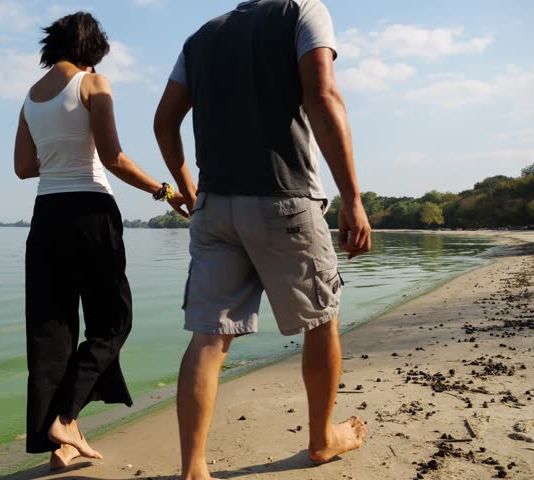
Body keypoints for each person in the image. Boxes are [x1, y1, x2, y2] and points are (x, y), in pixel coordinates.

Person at [153, 1, 372, 478]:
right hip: (284, 200)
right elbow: (322, 96)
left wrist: (188, 188)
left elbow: (163, 122)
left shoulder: (201, 36)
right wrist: (352, 197)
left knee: (209, 336)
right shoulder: (303, 11)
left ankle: (193, 470)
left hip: (215, 208)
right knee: (321, 320)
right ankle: (322, 440)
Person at [14, 12, 188, 471]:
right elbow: (113, 157)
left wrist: (60, 154)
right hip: (90, 213)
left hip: (46, 217)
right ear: (92, 49)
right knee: (113, 322)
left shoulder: (31, 97)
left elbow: (23, 167)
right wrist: (165, 192)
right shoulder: (93, 84)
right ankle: (66, 419)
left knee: (51, 332)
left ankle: (59, 445)